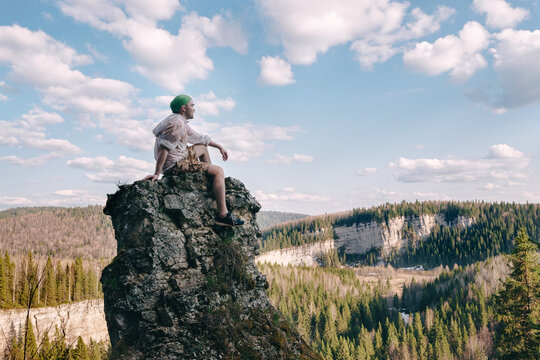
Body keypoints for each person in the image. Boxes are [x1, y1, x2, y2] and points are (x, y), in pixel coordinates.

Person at [142, 94, 244, 227]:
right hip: (176, 164)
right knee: (219, 171)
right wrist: (157, 173)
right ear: (183, 108)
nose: (194, 109)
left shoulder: (179, 121)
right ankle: (223, 215)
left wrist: (219, 146)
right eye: (192, 105)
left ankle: (211, 179)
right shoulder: (176, 123)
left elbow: (199, 138)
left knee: (202, 148)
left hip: (180, 156)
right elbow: (165, 149)